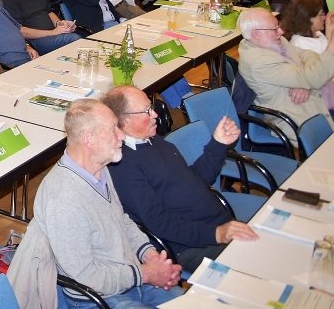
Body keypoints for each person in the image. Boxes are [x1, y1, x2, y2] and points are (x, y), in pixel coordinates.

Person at [32, 99, 183, 308]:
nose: (122, 135)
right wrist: (146, 273)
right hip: (100, 298)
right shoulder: (63, 198)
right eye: (114, 129)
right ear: (89, 139)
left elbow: (121, 219)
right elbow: (86, 275)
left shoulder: (99, 169)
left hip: (131, 279)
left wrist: (151, 256)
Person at [103, 86, 258, 267]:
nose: (155, 114)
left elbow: (195, 180)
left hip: (216, 224)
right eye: (146, 111)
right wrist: (217, 233)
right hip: (189, 246)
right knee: (257, 265)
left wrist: (218, 145)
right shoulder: (122, 166)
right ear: (125, 120)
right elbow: (159, 223)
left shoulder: (154, 141)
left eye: (150, 107)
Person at [237, 7, 334, 144]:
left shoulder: (272, 41)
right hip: (300, 116)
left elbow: (308, 54)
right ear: (257, 34)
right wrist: (331, 49)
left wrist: (303, 82)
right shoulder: (259, 61)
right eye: (274, 28)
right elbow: (313, 77)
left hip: (316, 99)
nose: (281, 32)